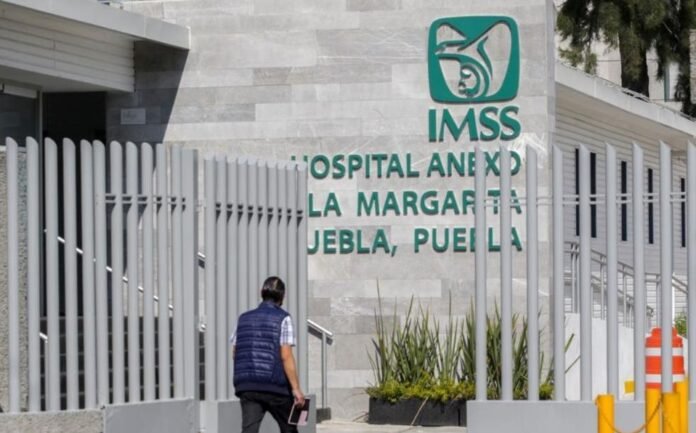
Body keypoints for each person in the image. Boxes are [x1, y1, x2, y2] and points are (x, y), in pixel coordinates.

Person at [232, 276, 305, 433]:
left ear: (262, 292)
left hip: (247, 387)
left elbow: (235, 352)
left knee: (249, 431)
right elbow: (286, 356)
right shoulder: (283, 318)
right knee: (289, 429)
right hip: (275, 387)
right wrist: (296, 389)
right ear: (282, 296)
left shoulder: (243, 318)